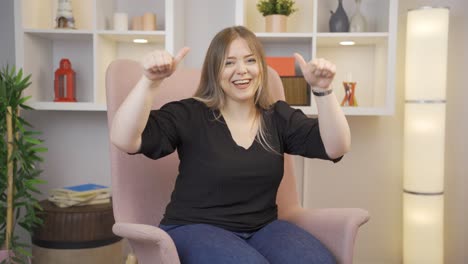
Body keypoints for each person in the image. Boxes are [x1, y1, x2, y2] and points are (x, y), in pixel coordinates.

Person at [110, 26, 350, 264]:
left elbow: (336, 147)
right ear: (214, 71)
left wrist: (323, 90)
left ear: (261, 67)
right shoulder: (189, 114)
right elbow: (124, 138)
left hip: (262, 228)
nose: (242, 70)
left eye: (250, 60)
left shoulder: (277, 116)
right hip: (194, 227)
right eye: (229, 63)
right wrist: (149, 82)